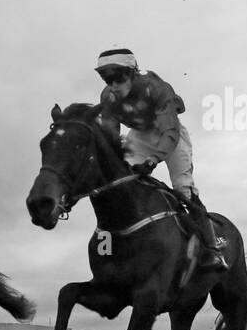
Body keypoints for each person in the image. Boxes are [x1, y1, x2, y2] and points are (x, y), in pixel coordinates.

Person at [93, 49, 227, 270]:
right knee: (124, 179)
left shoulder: (155, 88)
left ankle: (212, 249)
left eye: (119, 77)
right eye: (107, 78)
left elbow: (170, 133)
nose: (113, 84)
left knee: (183, 189)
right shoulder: (108, 96)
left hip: (170, 132)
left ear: (133, 72)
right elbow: (111, 135)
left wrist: (153, 160)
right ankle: (126, 238)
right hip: (140, 134)